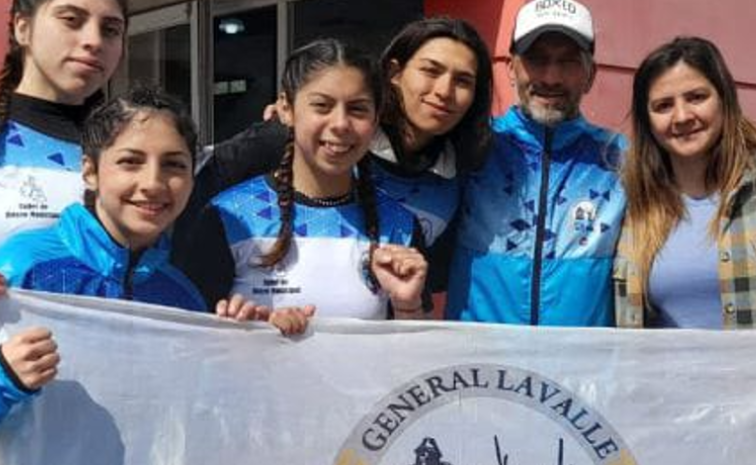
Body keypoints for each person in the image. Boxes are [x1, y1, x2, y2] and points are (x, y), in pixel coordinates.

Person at [178, 17, 493, 266]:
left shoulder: (462, 173)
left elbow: (430, 281)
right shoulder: (294, 137)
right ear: (395, 73)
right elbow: (190, 209)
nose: (444, 91)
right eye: (430, 70)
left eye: (463, 81)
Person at [0, 1, 127, 462]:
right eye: (72, 20)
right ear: (22, 27)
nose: (94, 40)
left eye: (111, 29)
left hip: (104, 422)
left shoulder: (137, 151)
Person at [177, 38, 429, 320]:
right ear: (286, 108)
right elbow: (186, 341)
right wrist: (238, 333)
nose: (340, 124)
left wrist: (408, 305)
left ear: (376, 117)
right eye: (322, 106)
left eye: (358, 109)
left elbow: (415, 357)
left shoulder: (400, 226)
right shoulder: (229, 217)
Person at [614, 36, 756, 329]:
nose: (681, 116)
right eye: (663, 106)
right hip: (659, 376)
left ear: (725, 99)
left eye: (696, 97)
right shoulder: (631, 204)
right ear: (647, 120)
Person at [446, 0, 626, 326]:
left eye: (568, 61)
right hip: (482, 368)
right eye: (536, 59)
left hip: (581, 371)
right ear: (511, 68)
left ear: (590, 74)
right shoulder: (470, 146)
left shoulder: (623, 159)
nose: (551, 77)